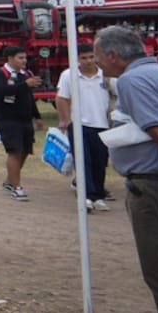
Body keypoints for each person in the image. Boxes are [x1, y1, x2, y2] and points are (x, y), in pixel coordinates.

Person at [92, 25, 158, 313]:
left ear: (114, 55)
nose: (96, 62)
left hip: (157, 188)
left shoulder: (133, 80)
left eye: (98, 55)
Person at [56, 49, 112, 211]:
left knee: (100, 161)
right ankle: (86, 195)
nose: (88, 61)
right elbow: (62, 98)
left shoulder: (106, 74)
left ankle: (98, 195)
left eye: (91, 57)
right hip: (79, 124)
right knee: (83, 161)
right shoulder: (69, 75)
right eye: (84, 58)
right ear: (78, 59)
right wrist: (67, 120)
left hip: (102, 124)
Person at [0, 45, 44, 201]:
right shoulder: (0, 73)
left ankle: (10, 181)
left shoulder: (25, 74)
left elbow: (29, 97)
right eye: (20, 58)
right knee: (14, 151)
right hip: (7, 119)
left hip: (25, 119)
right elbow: (2, 91)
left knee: (25, 151)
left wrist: (37, 116)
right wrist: (25, 84)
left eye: (25, 57)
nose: (24, 61)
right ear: (10, 58)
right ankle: (17, 187)